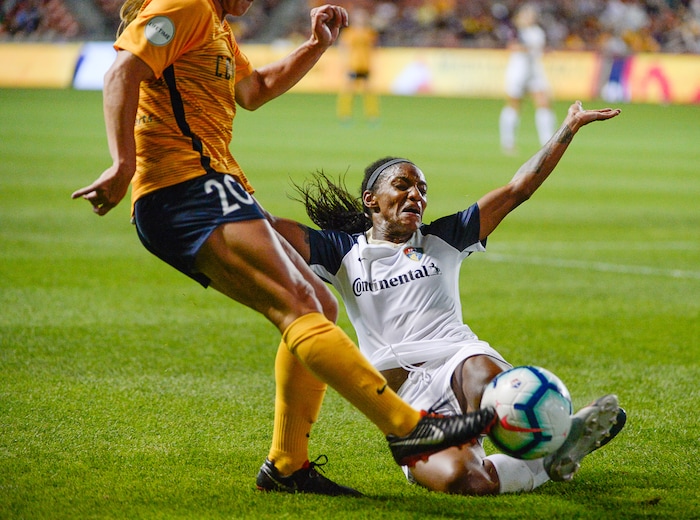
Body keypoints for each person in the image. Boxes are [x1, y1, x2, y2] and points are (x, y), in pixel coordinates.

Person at [71, 0, 496, 497]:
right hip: (189, 187)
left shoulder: (217, 28)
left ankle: (287, 465)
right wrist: (123, 164)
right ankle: (409, 428)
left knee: (317, 305)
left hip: (203, 190)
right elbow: (122, 69)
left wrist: (315, 46)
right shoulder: (185, 5)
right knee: (302, 305)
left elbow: (255, 90)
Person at [269, 101, 627, 495]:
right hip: (405, 403)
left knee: (486, 380)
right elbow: (265, 229)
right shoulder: (339, 251)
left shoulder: (445, 236)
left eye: (422, 189)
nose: (416, 195)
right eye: (403, 185)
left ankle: (544, 431)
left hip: (459, 359)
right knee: (466, 480)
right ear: (371, 199)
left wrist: (569, 127)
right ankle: (554, 451)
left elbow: (517, 189)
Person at [499, 3, 557, 155]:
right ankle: (508, 142)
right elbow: (512, 46)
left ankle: (547, 142)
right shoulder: (516, 31)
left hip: (534, 71)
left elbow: (539, 50)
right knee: (514, 105)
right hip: (518, 71)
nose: (530, 17)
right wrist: (530, 48)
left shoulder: (537, 32)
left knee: (544, 103)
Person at [336, 7, 380, 124]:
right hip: (353, 65)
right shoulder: (349, 33)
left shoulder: (369, 32)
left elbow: (373, 47)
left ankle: (372, 116)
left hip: (365, 65)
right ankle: (345, 115)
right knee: (349, 91)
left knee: (368, 92)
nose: (360, 19)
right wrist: (345, 64)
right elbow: (343, 48)